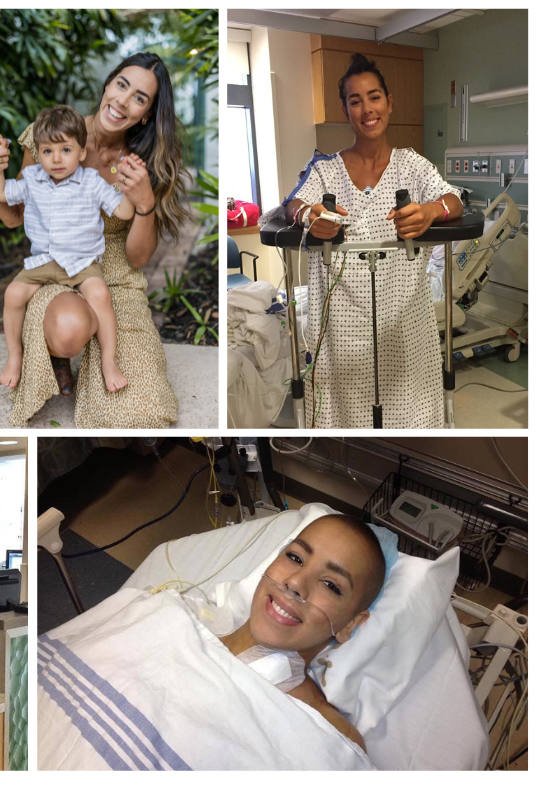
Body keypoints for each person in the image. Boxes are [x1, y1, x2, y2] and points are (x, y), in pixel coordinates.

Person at [0, 52, 188, 427]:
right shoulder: (52, 133)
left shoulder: (143, 162)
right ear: (107, 85)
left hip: (115, 277)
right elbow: (13, 215)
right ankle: (58, 352)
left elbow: (138, 258)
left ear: (147, 113)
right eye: (121, 85)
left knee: (141, 412)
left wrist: (144, 202)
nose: (123, 100)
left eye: (139, 97)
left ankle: (101, 361)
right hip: (53, 268)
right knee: (68, 330)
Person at [282, 53, 463, 428]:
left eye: (374, 96)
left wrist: (429, 212)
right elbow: (292, 204)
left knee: (411, 420)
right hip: (342, 333)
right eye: (355, 100)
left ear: (389, 102)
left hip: (404, 324)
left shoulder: (412, 166)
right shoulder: (324, 170)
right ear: (345, 110)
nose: (367, 108)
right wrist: (309, 217)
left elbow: (454, 200)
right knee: (348, 426)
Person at [0, 105, 138, 393]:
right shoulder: (32, 179)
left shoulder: (92, 182)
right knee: (13, 294)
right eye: (47, 151)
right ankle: (14, 357)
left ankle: (109, 361)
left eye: (65, 150)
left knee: (100, 294)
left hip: (82, 262)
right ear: (38, 152)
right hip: (44, 261)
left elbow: (123, 211)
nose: (56, 159)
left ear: (82, 152)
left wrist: (130, 188)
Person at [219, 515, 386, 750]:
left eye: (331, 585)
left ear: (349, 624)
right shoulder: (178, 618)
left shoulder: (332, 738)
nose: (295, 583)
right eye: (295, 557)